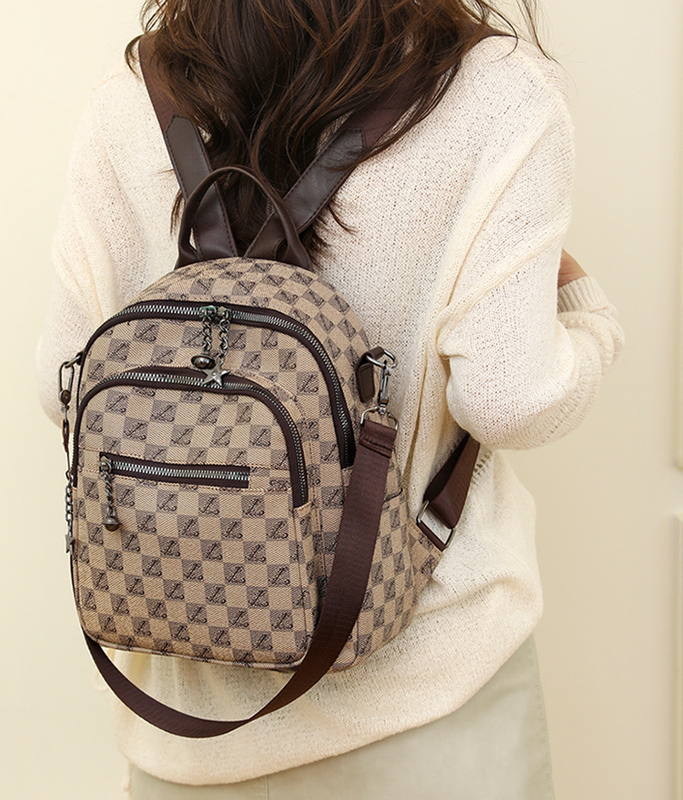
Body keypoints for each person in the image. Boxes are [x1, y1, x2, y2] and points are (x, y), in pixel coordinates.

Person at [37, 1, 623, 797]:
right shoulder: (498, 92)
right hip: (430, 708)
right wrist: (590, 321)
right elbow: (508, 400)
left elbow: (63, 384)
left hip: (183, 717)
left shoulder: (133, 96)